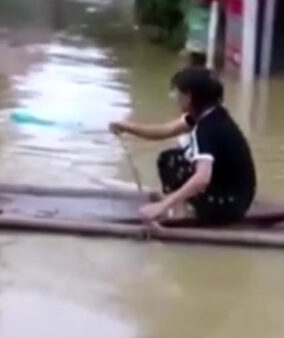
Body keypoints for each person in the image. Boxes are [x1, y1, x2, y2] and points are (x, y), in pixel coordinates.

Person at [109, 68, 255, 225]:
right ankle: (180, 205)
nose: (174, 97)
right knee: (170, 158)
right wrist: (126, 127)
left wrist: (161, 207)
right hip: (236, 196)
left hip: (229, 204)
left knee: (175, 163)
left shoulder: (206, 129)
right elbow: (164, 131)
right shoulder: (210, 115)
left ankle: (181, 213)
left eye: (177, 93)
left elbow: (202, 179)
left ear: (189, 96)